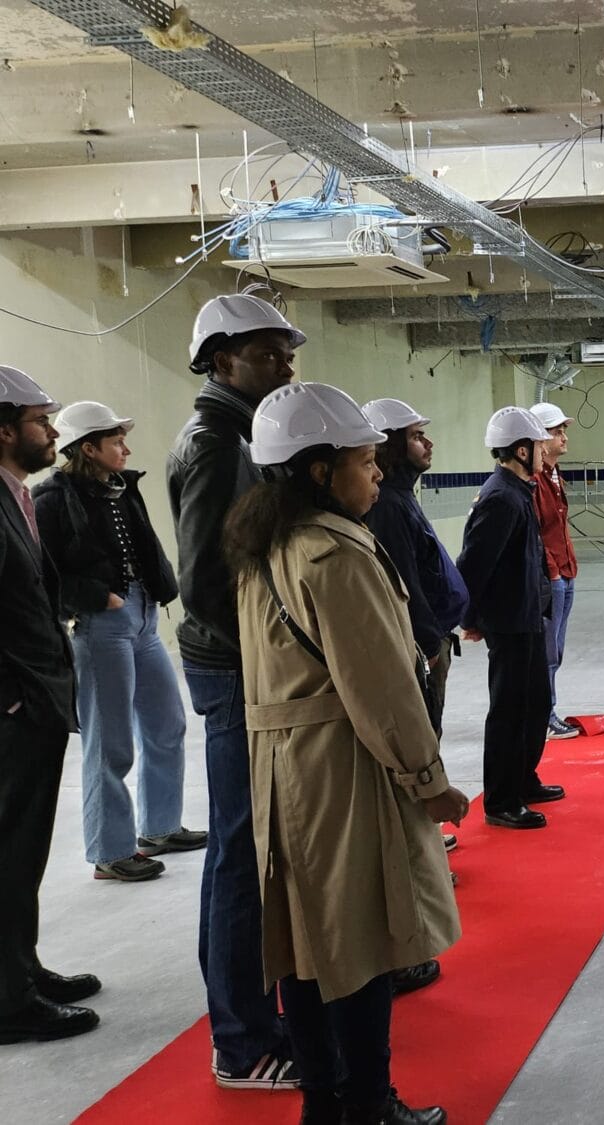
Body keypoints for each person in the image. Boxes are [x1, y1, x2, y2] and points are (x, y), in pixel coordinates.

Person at [225, 382, 462, 1125]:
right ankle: (368, 1103)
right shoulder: (334, 553)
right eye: (364, 460)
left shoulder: (265, 547)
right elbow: (383, 688)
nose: (380, 471)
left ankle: (325, 1095)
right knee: (364, 939)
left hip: (281, 766)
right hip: (342, 765)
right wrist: (427, 779)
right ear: (319, 470)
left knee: (302, 941)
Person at [168, 292, 302, 1088]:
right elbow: (207, 582)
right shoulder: (216, 442)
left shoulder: (241, 432)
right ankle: (242, 1039)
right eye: (267, 353)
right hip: (232, 671)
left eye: (287, 352)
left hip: (241, 665)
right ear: (221, 361)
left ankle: (250, 1010)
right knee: (238, 855)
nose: (285, 366)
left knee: (249, 850)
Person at [35, 401, 203, 883]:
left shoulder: (122, 488)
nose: (126, 449)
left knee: (167, 724)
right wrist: (94, 597)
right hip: (102, 625)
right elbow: (43, 572)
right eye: (116, 442)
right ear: (89, 448)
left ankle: (161, 827)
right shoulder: (51, 499)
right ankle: (110, 852)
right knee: (110, 743)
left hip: (145, 618)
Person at [0, 367, 101, 1045]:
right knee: (8, 848)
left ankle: (22, 968)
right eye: (41, 421)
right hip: (15, 703)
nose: (53, 431)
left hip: (36, 693)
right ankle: (8, 1001)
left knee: (25, 845)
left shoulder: (15, 494)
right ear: (5, 430)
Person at [458, 407, 565, 830]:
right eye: (539, 445)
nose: (545, 451)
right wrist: (470, 616)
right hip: (509, 621)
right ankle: (501, 800)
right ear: (522, 450)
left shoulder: (518, 489)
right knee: (508, 710)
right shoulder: (501, 496)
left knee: (535, 702)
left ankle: (523, 778)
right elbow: (474, 564)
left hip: (527, 616)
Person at [361, 398, 468, 736]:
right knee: (421, 735)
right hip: (423, 647)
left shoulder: (401, 496)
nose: (428, 443)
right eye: (417, 436)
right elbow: (403, 582)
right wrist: (427, 644)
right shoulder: (388, 505)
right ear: (390, 443)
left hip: (434, 638)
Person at [530, 402, 581, 740]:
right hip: (552, 575)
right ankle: (544, 715)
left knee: (556, 650)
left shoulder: (553, 476)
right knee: (547, 652)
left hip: (565, 570)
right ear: (539, 438)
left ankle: (546, 710)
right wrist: (552, 572)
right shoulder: (534, 481)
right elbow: (536, 532)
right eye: (556, 431)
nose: (564, 437)